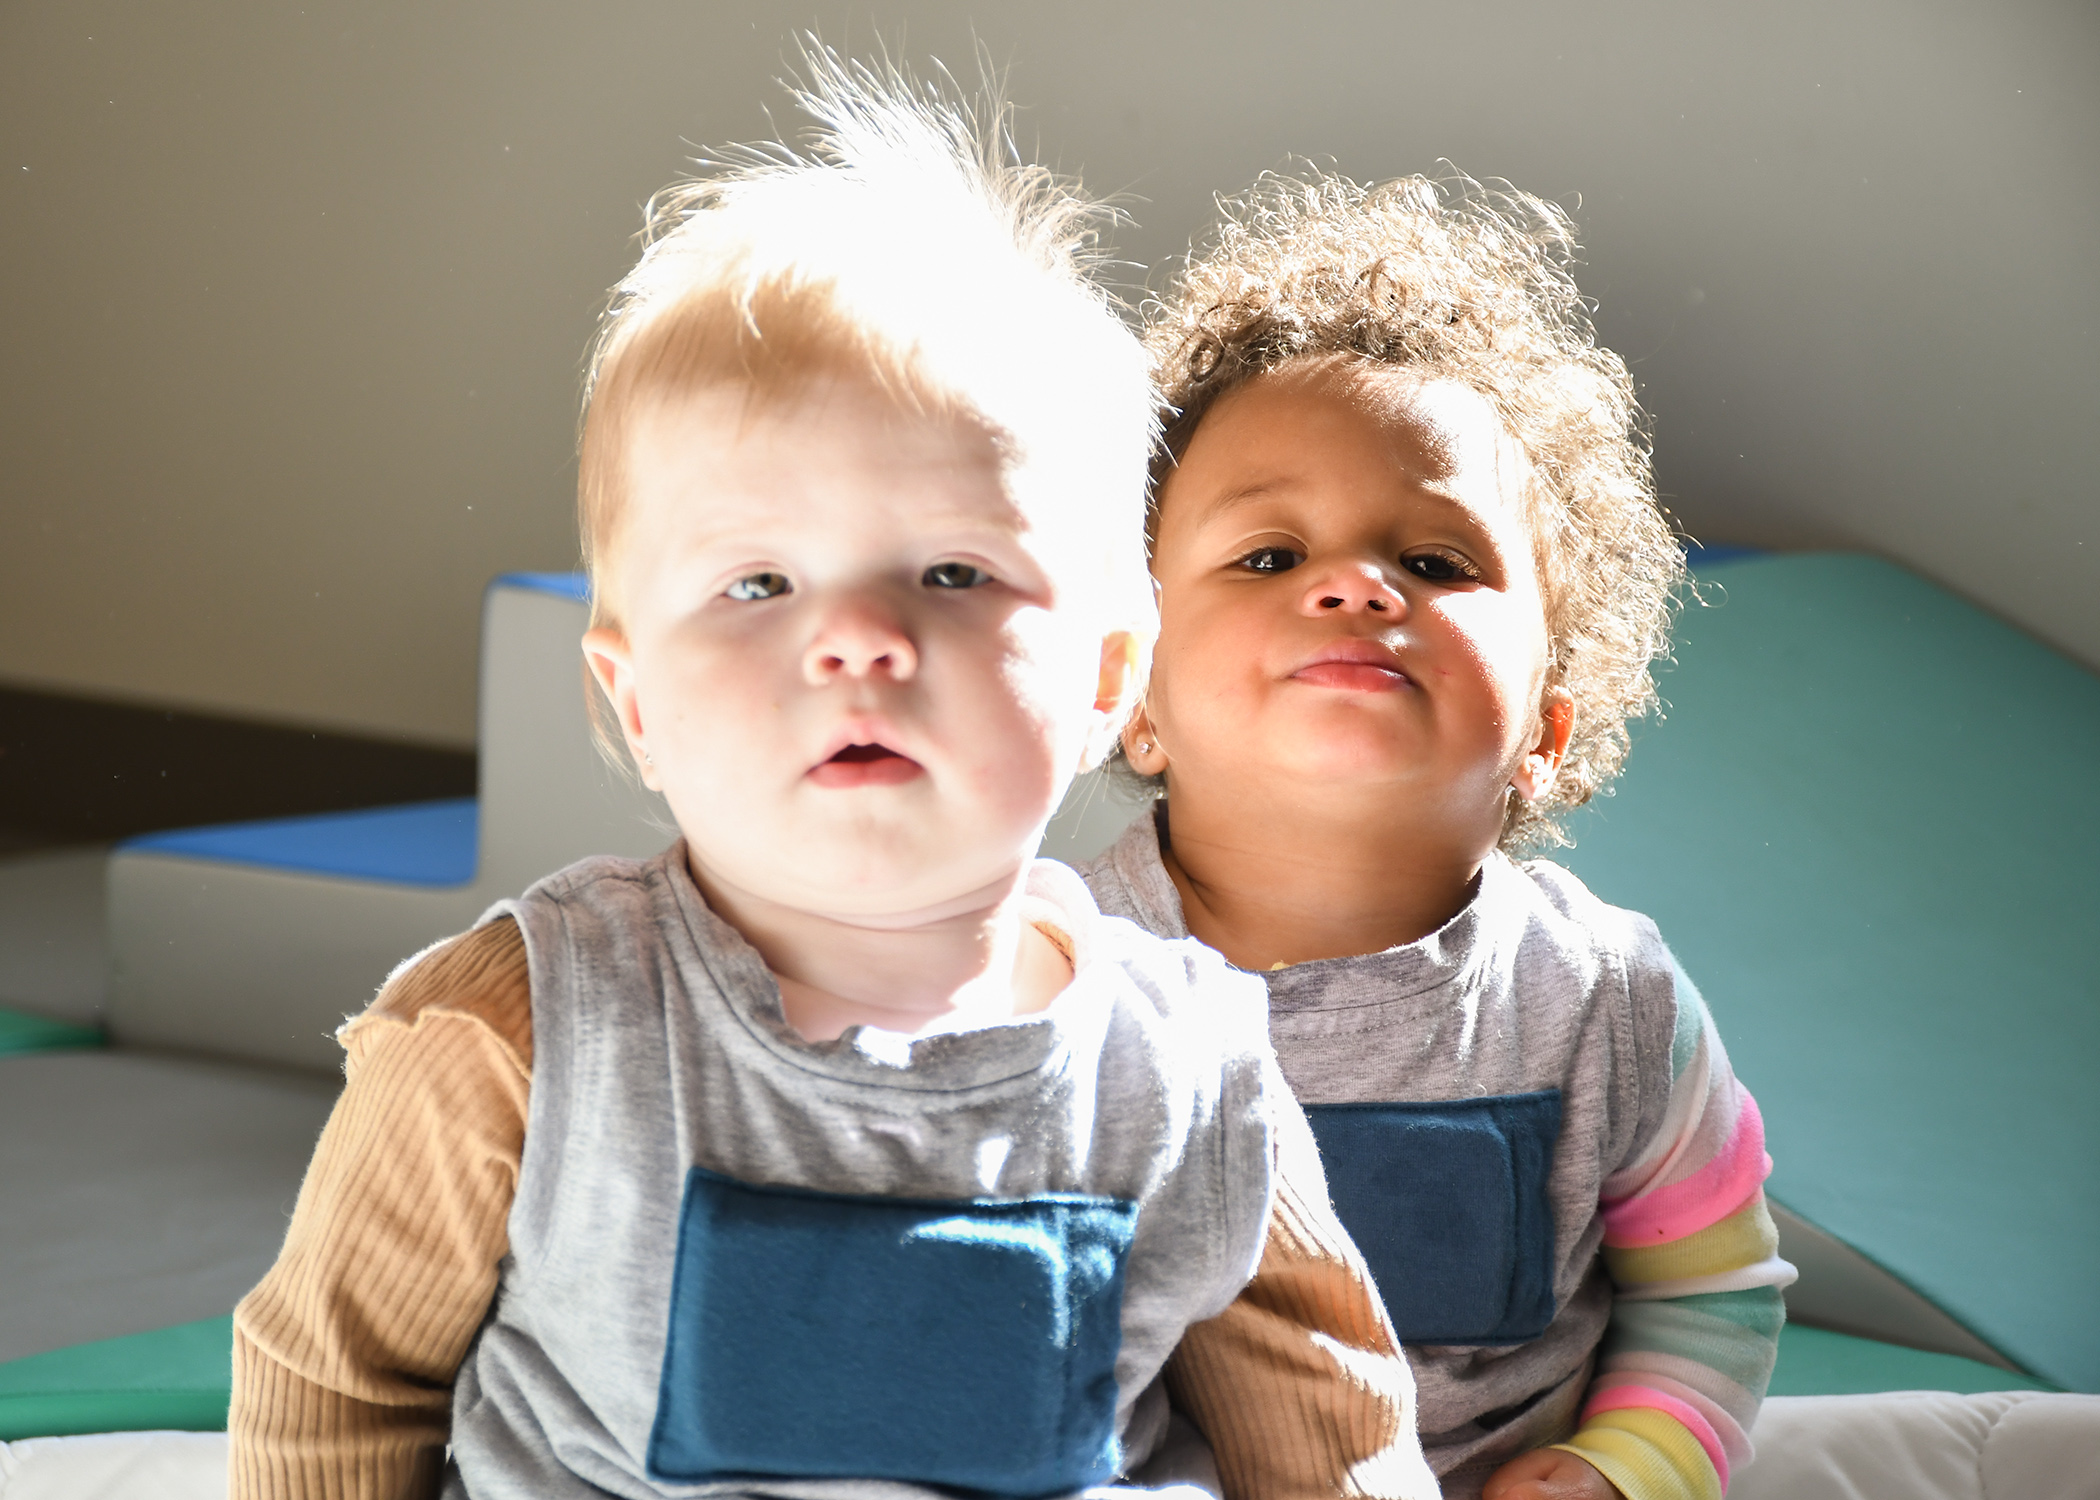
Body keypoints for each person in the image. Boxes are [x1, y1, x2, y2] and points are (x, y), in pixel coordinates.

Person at [226, 58, 1438, 1500]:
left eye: (951, 572)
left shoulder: (1185, 1067)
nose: (859, 637)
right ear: (636, 698)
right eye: (757, 582)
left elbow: (1328, 1422)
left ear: (1114, 677)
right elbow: (337, 1381)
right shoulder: (525, 1034)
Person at [1077, 171, 1794, 1500]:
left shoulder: (1608, 1006)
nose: (1356, 584)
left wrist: (1622, 1469)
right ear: (1135, 695)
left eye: (1439, 563)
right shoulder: (1045, 981)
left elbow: (1715, 1303)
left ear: (1546, 727)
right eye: (1268, 558)